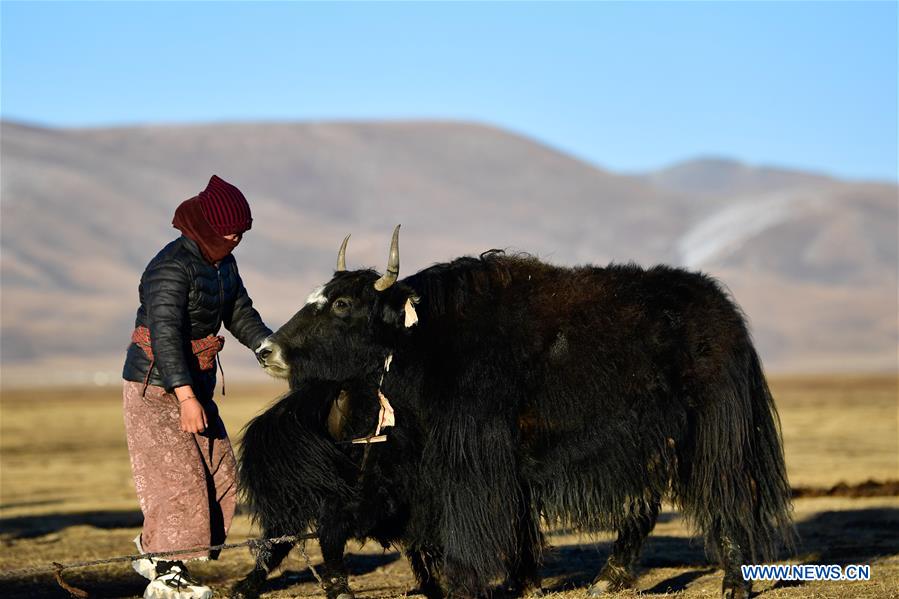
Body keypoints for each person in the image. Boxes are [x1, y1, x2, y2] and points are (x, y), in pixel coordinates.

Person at [122, 175, 272, 599]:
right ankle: (167, 581)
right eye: (230, 229)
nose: (238, 236)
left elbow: (239, 311)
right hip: (156, 387)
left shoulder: (222, 262)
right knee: (180, 482)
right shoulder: (170, 268)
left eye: (243, 229)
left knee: (221, 472)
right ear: (205, 226)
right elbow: (165, 336)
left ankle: (155, 553)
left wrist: (268, 345)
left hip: (196, 386)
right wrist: (186, 397)